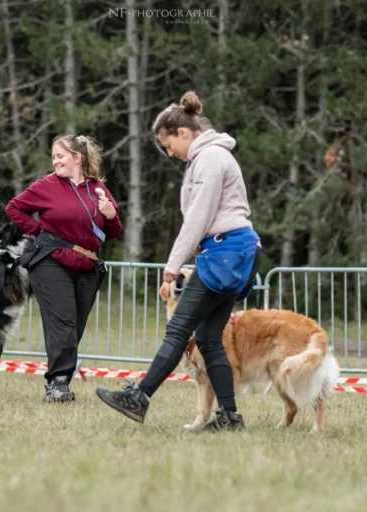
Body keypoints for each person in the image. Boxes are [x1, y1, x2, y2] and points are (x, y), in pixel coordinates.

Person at [95, 91, 262, 432]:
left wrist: (172, 267)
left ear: (183, 133)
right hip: (232, 251)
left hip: (225, 252)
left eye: (168, 144)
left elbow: (198, 219)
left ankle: (138, 397)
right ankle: (230, 418)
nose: (169, 152)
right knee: (209, 338)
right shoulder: (207, 159)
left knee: (178, 329)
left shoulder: (211, 160)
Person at [6, 134, 122, 403]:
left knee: (75, 326)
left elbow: (112, 232)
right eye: (54, 156)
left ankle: (61, 380)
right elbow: (14, 208)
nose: (55, 160)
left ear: (77, 158)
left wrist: (110, 215)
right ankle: (57, 384)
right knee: (63, 320)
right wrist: (39, 232)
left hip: (87, 263)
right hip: (50, 259)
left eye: (60, 155)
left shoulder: (98, 190)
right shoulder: (46, 185)